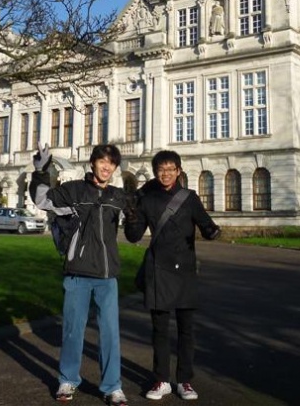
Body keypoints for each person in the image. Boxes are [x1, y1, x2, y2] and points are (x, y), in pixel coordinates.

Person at [30, 142, 133, 406]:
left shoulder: (117, 196)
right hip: (78, 272)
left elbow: (143, 208)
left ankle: (113, 386)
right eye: (102, 161)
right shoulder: (74, 190)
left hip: (107, 275)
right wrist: (40, 172)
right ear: (93, 163)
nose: (106, 166)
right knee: (73, 331)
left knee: (110, 333)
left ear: (115, 167)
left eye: (111, 162)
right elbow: (42, 200)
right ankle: (67, 379)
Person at [125, 150, 221, 401]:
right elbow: (134, 236)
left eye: (170, 169)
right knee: (159, 330)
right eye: (161, 169)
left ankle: (185, 381)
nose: (165, 173)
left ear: (178, 171)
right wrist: (131, 213)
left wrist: (212, 231)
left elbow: (205, 223)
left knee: (186, 330)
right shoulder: (147, 198)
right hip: (159, 269)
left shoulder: (189, 198)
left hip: (185, 269)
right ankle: (161, 380)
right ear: (156, 172)